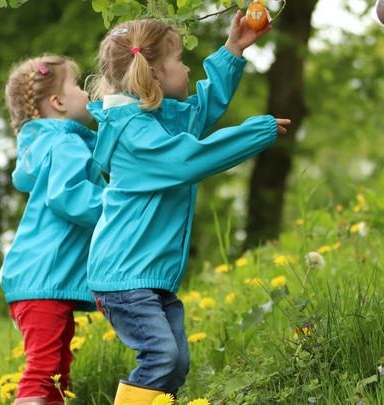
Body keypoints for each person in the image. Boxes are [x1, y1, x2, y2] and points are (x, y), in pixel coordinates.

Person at [86, 11, 290, 403]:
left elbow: (198, 114)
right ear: (155, 75)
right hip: (125, 277)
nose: (186, 67)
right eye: (180, 61)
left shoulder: (154, 121)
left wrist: (232, 51)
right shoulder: (135, 134)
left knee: (175, 363)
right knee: (162, 356)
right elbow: (187, 159)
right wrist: (255, 132)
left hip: (147, 275)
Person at [0, 54, 105, 405]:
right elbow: (69, 196)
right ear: (57, 103)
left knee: (58, 372)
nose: (85, 91)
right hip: (42, 279)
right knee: (44, 370)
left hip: (38, 280)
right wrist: (116, 204)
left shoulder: (48, 145)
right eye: (76, 85)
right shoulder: (65, 144)